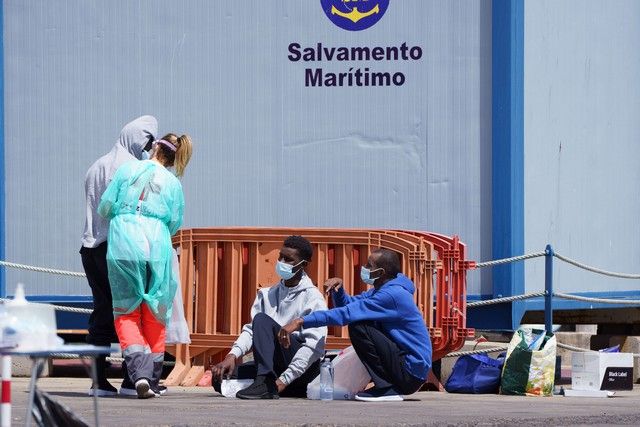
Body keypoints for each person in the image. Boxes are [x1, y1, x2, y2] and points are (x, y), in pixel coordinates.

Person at [98, 133, 192, 399]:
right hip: (158, 248)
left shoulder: (128, 169)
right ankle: (151, 379)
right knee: (155, 312)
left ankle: (137, 375)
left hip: (124, 245)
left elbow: (105, 207)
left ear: (155, 149)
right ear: (175, 158)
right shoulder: (173, 184)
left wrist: (122, 210)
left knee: (126, 312)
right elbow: (174, 222)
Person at [279, 248, 432, 402]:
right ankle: (387, 386)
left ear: (381, 272)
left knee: (359, 326)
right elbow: (350, 305)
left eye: (369, 265)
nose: (364, 267)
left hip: (410, 371)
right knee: (358, 321)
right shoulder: (381, 291)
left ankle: (386, 388)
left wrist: (301, 321)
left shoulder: (392, 295)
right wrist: (338, 291)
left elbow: (346, 314)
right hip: (406, 369)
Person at [80, 115, 157, 396]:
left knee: (102, 311)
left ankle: (98, 380)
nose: (148, 147)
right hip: (120, 250)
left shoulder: (97, 165)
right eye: (148, 140)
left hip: (90, 248)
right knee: (130, 313)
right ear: (139, 137)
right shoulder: (132, 168)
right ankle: (131, 378)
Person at [211, 236, 328, 399]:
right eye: (281, 256)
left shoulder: (313, 297)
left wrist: (284, 380)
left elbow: (313, 347)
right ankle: (270, 385)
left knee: (262, 319)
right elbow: (251, 332)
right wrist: (232, 356)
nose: (281, 262)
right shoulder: (267, 294)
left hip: (304, 368)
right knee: (221, 377)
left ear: (304, 265)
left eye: (289, 260)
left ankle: (268, 383)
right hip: (275, 366)